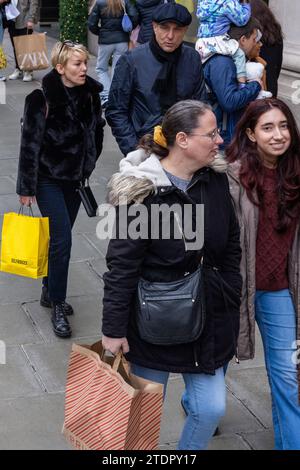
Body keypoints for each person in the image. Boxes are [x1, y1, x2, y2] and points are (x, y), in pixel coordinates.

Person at [101, 100, 242, 450]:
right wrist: (113, 330)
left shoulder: (214, 181)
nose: (220, 140)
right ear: (182, 139)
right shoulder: (141, 193)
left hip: (208, 319)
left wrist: (230, 288)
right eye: (211, 134)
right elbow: (122, 267)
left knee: (210, 409)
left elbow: (231, 242)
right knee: (144, 418)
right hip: (153, 325)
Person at [16, 41, 105, 338]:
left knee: (57, 240)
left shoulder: (91, 95)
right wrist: (26, 188)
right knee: (63, 240)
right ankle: (57, 303)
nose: (84, 68)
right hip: (47, 179)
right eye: (77, 64)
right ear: (60, 68)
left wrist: (89, 164)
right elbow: (29, 145)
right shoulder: (40, 98)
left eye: (85, 63)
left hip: (75, 181)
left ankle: (46, 289)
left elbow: (97, 130)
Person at [226, 98, 300, 450]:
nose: (278, 135)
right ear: (251, 134)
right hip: (233, 291)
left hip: (279, 291)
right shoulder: (232, 176)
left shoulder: (297, 174)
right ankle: (198, 406)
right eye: (268, 127)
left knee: (289, 378)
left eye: (283, 126)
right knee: (212, 374)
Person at [105, 2, 207, 156]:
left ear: (185, 30)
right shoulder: (131, 61)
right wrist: (134, 150)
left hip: (183, 150)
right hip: (144, 148)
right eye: (165, 28)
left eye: (177, 29)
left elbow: (201, 106)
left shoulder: (192, 58)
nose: (170, 36)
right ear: (154, 27)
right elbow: (116, 110)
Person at [203, 17, 262, 148]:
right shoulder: (223, 62)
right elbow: (229, 101)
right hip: (222, 138)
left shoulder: (228, 60)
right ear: (243, 40)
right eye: (254, 40)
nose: (258, 44)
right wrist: (255, 85)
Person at [88, 0, 139, 109]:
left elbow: (92, 24)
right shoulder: (124, 2)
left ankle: (106, 96)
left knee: (101, 69)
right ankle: (116, 96)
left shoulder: (100, 2)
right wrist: (127, 30)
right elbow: (135, 16)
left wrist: (101, 32)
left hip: (105, 41)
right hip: (122, 40)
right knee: (118, 69)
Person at [196, 0, 251, 85]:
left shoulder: (203, 2)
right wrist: (245, 5)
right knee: (239, 55)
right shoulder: (228, 2)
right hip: (218, 41)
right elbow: (241, 20)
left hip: (202, 41)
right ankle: (242, 84)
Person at [250, 0, 283, 97]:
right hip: (271, 84)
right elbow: (278, 63)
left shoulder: (253, 39)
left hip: (257, 87)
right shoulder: (276, 34)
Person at [3, 0, 39, 82]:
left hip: (24, 20)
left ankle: (28, 71)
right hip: (11, 19)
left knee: (26, 47)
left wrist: (31, 19)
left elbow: (34, 3)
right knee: (15, 46)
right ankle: (18, 68)